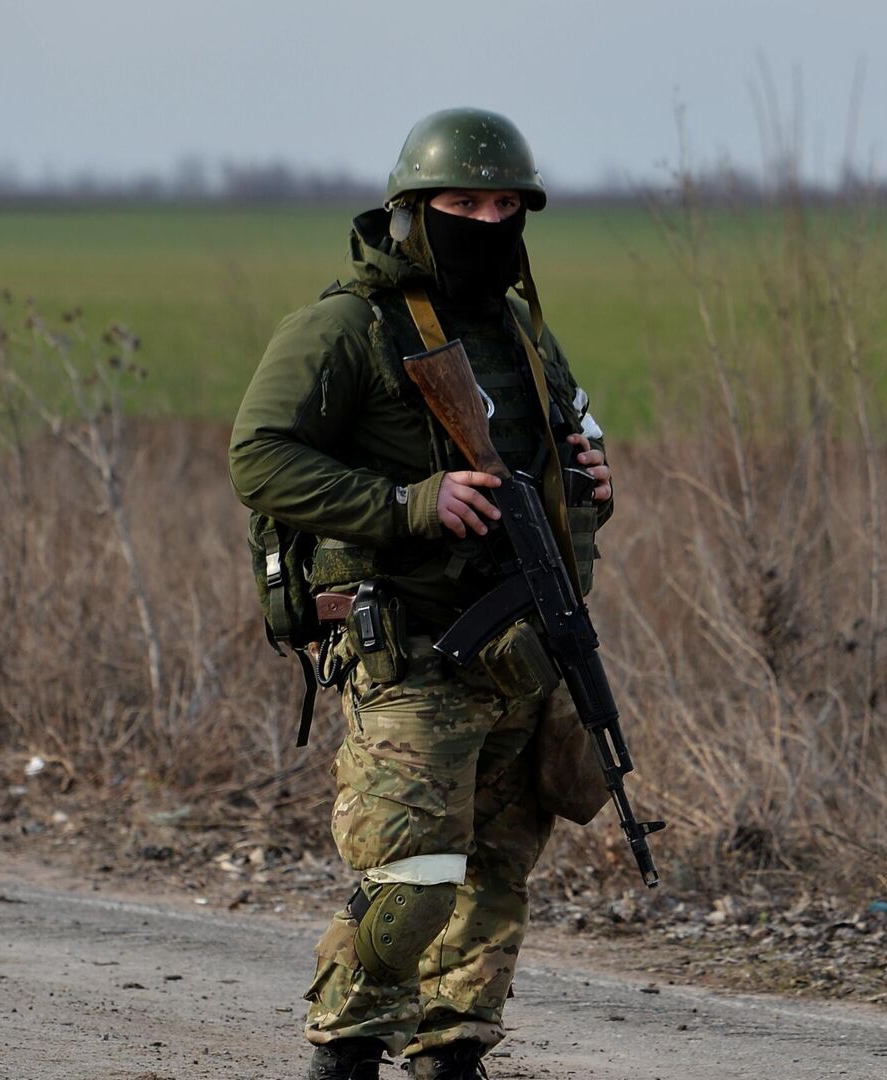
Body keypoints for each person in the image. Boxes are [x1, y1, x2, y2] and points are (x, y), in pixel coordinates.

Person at [229, 107, 615, 1080]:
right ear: (410, 210)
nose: (486, 221)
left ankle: (452, 1055)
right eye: (461, 202)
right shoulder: (348, 328)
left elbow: (554, 466)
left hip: (522, 652)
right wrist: (408, 503)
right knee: (412, 876)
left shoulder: (523, 333)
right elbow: (259, 457)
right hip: (414, 648)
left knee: (493, 877)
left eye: (504, 205)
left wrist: (593, 488)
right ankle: (346, 1049)